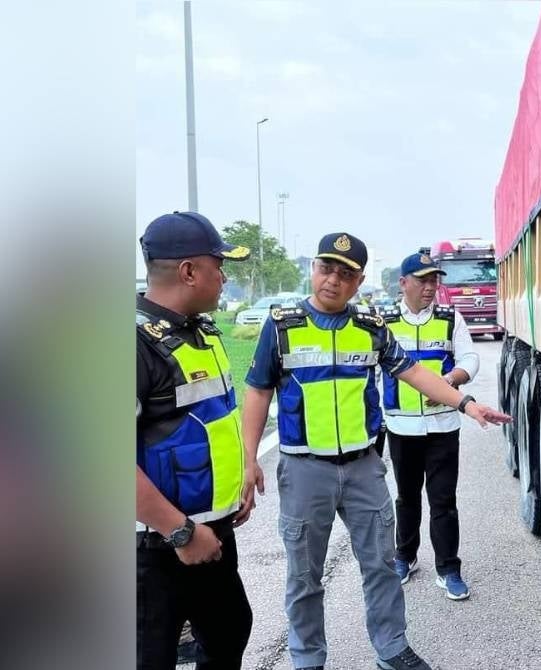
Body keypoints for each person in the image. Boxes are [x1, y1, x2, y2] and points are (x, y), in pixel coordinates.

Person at [239, 232, 510, 670]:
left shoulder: (370, 328)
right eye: (326, 268)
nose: (333, 280)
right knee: (305, 577)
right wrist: (249, 460)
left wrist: (466, 403)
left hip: (364, 467)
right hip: (305, 469)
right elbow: (257, 392)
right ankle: (307, 659)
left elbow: (415, 372)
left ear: (360, 280)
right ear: (313, 269)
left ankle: (391, 649)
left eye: (345, 274)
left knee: (382, 565)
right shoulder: (282, 326)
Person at [136, 211, 254, 670]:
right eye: (217, 265)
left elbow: (215, 421)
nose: (224, 276)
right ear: (188, 271)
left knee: (229, 634)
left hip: (213, 532)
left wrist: (238, 484)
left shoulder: (200, 331)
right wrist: (181, 532)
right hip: (157, 547)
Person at [380, 252, 477, 600]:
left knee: (443, 500)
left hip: (443, 427)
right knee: (406, 498)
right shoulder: (384, 321)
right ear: (403, 283)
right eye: (423, 280)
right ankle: (404, 557)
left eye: (435, 280)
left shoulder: (451, 318)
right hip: (401, 428)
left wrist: (450, 380)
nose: (430, 287)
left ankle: (449, 569)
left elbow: (470, 358)